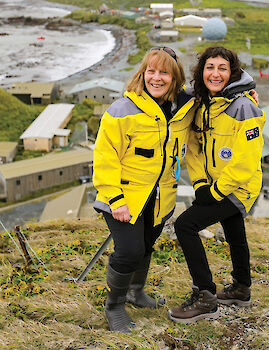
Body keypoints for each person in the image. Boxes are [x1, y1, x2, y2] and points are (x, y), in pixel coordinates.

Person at [93, 47, 195, 333]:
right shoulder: (121, 110)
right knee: (129, 250)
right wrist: (115, 199)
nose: (157, 78)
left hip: (161, 197)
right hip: (123, 198)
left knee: (146, 246)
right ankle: (114, 307)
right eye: (151, 71)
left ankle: (135, 293)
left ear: (175, 79)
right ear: (142, 73)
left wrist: (246, 95)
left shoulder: (183, 109)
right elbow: (104, 158)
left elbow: (215, 90)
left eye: (164, 72)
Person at [168, 46, 266, 324]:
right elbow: (195, 146)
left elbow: (246, 162)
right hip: (214, 184)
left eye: (222, 68)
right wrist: (200, 183)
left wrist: (215, 191)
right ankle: (241, 288)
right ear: (202, 71)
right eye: (210, 67)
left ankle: (206, 297)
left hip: (239, 186)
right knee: (233, 229)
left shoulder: (244, 106)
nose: (215, 73)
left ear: (232, 72)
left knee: (185, 225)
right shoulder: (201, 103)